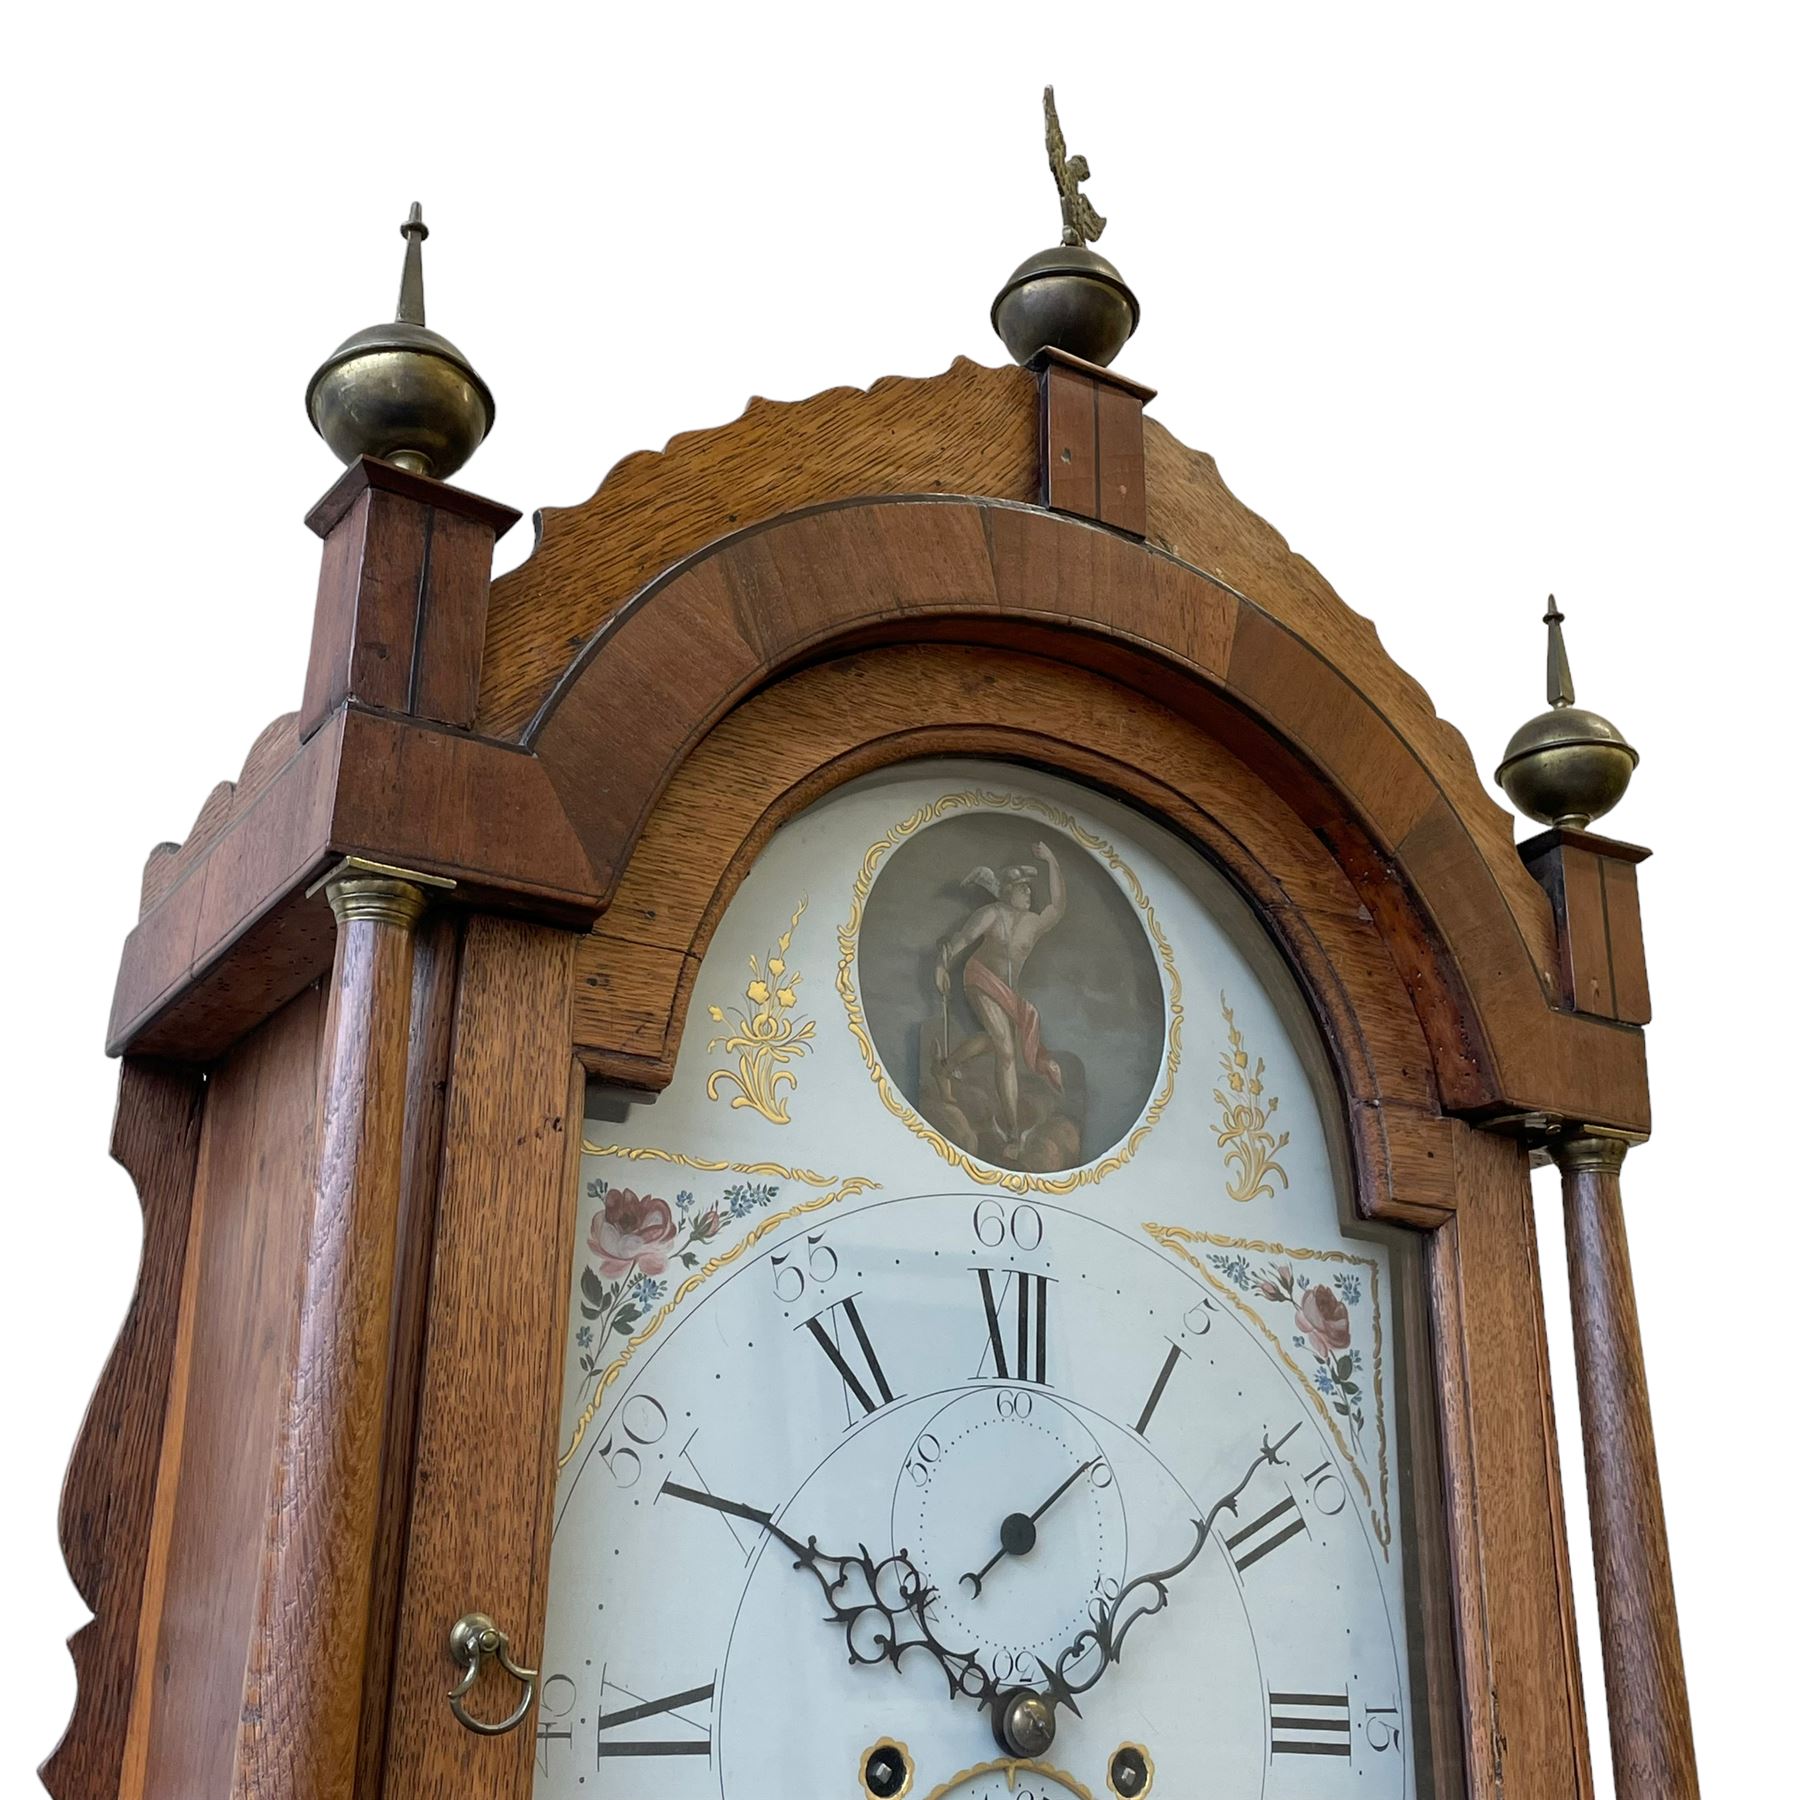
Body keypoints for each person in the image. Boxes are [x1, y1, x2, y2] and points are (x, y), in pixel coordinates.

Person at [935, 839, 1067, 1158]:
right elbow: (962, 939)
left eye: (1028, 889)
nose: (1028, 893)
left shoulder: (1033, 925)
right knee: (1006, 1050)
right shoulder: (991, 914)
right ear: (1006, 890)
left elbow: (1058, 907)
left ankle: (946, 1066)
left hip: (1008, 993)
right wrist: (942, 965)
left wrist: (1052, 862)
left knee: (996, 1042)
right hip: (979, 978)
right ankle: (1012, 1131)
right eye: (1021, 888)